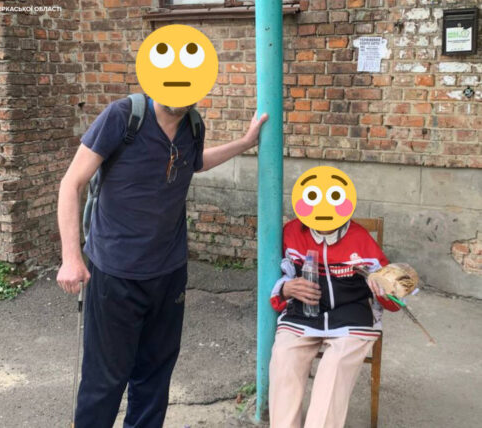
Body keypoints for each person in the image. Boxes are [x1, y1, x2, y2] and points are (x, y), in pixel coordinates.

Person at [56, 96, 267, 428]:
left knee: (155, 375)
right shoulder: (123, 116)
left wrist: (244, 142)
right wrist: (71, 257)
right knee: (105, 378)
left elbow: (196, 163)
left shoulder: (193, 125)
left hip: (169, 274)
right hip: (115, 273)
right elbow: (72, 182)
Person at [268, 218, 400, 428]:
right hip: (303, 313)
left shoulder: (361, 238)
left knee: (335, 367)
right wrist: (285, 288)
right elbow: (276, 275)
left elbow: (394, 299)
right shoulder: (291, 231)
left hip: (351, 318)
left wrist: (384, 288)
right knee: (284, 356)